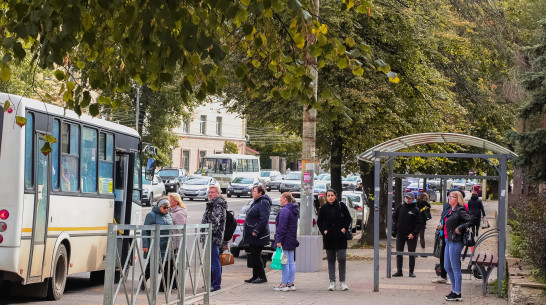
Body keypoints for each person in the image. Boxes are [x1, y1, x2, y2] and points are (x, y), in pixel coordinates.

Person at [437, 190, 474, 301]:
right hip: (448, 241)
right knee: (447, 267)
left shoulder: (460, 209)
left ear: (457, 199)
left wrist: (460, 228)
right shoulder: (450, 210)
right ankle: (454, 290)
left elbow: (471, 220)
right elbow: (449, 223)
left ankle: (457, 292)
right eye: (449, 196)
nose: (449, 198)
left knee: (455, 268)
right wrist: (441, 226)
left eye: (452, 196)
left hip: (456, 241)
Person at [317, 189, 352, 291]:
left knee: (342, 259)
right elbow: (319, 222)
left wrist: (344, 228)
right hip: (329, 238)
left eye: (332, 195)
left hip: (340, 237)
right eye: (328, 195)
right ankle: (332, 282)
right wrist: (324, 231)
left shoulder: (341, 206)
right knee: (331, 260)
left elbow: (348, 218)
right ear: (326, 197)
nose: (330, 197)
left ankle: (342, 282)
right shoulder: (323, 208)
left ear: (335, 196)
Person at [142, 197, 173, 290]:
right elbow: (145, 231)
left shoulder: (169, 215)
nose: (166, 210)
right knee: (152, 267)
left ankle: (163, 287)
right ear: (159, 207)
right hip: (155, 245)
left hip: (167, 245)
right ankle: (142, 280)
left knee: (167, 266)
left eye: (168, 208)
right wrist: (145, 245)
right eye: (164, 208)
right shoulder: (151, 215)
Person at [243, 185, 272, 284]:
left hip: (259, 235)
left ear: (260, 193)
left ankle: (262, 277)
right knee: (253, 255)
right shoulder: (256, 201)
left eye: (254, 191)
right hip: (252, 234)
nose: (252, 193)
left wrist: (256, 230)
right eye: (252, 191)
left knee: (256, 256)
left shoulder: (264, 202)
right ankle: (255, 276)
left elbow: (264, 219)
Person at [200, 185, 227, 292]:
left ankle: (216, 285)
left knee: (214, 262)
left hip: (213, 237)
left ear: (218, 193)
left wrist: (207, 233)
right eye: (209, 192)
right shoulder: (213, 204)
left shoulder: (217, 205)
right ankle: (212, 283)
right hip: (209, 236)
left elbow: (214, 222)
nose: (210, 194)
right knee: (212, 261)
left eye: (212, 192)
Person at [392, 192, 423, 278]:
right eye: (406, 198)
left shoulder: (416, 210)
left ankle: (411, 271)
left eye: (409, 198)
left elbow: (419, 223)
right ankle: (399, 271)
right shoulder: (400, 207)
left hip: (411, 235)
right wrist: (396, 225)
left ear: (413, 199)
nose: (407, 199)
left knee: (411, 253)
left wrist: (413, 233)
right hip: (400, 234)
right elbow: (394, 216)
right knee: (399, 253)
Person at [273, 192, 299, 292]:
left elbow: (282, 227)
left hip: (284, 239)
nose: (280, 200)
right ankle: (290, 283)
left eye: (281, 198)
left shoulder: (285, 210)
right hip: (291, 238)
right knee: (291, 262)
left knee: (284, 262)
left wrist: (279, 240)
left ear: (285, 199)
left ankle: (283, 284)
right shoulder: (294, 209)